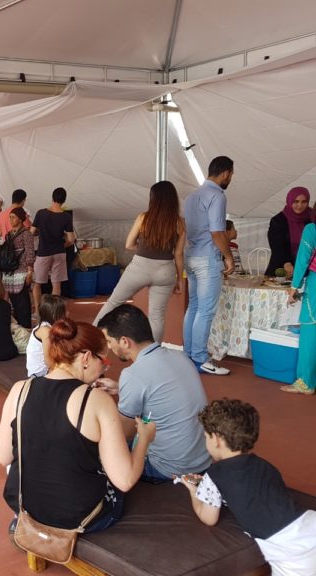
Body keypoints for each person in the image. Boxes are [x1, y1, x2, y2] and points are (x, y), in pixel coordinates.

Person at [0, 319, 156, 537]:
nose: (105, 368)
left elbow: (4, 456)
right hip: (78, 516)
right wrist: (144, 438)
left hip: (25, 506)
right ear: (86, 358)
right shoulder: (96, 400)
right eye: (104, 361)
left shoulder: (20, 389)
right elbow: (125, 480)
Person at [178, 399, 316, 575]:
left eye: (205, 437)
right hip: (309, 523)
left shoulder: (215, 475)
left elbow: (208, 518)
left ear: (216, 439)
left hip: (291, 553)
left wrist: (195, 492)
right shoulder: (266, 465)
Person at [96, 304, 212, 482]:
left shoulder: (133, 374)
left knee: (100, 446)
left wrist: (97, 408)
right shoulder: (180, 356)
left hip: (169, 467)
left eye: (110, 341)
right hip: (203, 459)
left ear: (125, 341)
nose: (110, 348)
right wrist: (120, 388)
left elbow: (124, 432)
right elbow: (159, 392)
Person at [93, 181, 186, 344]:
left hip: (140, 267)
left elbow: (128, 244)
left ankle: (91, 337)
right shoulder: (179, 222)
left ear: (153, 198)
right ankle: (152, 353)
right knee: (157, 316)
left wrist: (144, 248)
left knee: (114, 302)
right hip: (165, 271)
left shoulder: (144, 217)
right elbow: (178, 254)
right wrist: (179, 279)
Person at [183, 156, 235, 375]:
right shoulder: (217, 196)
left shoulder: (191, 196)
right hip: (207, 258)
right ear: (225, 173)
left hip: (191, 256)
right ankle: (200, 358)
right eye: (231, 174)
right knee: (205, 311)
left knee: (193, 307)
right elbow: (217, 232)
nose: (230, 178)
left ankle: (189, 355)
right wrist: (228, 256)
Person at [281, 221, 316, 394]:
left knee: (310, 331)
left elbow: (303, 258)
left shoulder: (312, 229)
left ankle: (306, 383)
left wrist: (294, 288)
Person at [31, 187, 76, 312]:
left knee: (37, 283)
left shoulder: (41, 213)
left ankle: (38, 311)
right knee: (56, 284)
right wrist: (63, 245)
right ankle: (54, 313)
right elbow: (71, 239)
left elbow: (31, 232)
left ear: (52, 198)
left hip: (43, 252)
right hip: (59, 253)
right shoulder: (66, 217)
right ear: (64, 200)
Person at [265, 187, 312, 278]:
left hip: (308, 269)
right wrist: (286, 262)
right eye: (296, 201)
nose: (300, 205)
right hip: (282, 268)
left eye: (304, 202)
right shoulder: (278, 220)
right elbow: (277, 245)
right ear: (289, 201)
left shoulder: (312, 218)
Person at [2, 207, 35, 329]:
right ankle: (19, 329)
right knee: (14, 301)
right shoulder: (8, 235)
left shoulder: (26, 234)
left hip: (22, 271)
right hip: (10, 272)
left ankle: (26, 327)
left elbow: (30, 252)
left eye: (13, 217)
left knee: (23, 302)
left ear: (20, 219)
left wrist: (30, 271)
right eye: (10, 217)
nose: (11, 220)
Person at [25, 294, 66, 378]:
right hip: (40, 372)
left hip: (44, 369)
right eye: (64, 312)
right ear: (55, 315)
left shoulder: (48, 327)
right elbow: (48, 360)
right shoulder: (45, 331)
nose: (68, 313)